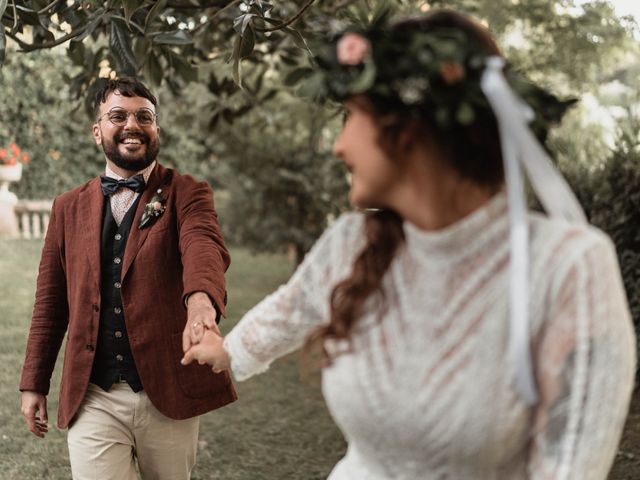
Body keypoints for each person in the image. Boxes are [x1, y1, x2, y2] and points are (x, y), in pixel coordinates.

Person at [182, 9, 636, 480]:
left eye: (353, 117)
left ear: (410, 128)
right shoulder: (352, 241)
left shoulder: (567, 267)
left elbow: (569, 464)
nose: (340, 146)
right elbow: (290, 309)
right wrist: (228, 350)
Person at [19, 77, 236, 480]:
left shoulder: (187, 192)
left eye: (144, 116)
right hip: (93, 395)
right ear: (97, 130)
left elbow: (203, 247)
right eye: (118, 115)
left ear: (157, 129)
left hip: (167, 388)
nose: (132, 125)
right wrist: (34, 382)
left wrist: (201, 304)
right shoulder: (67, 207)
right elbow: (50, 303)